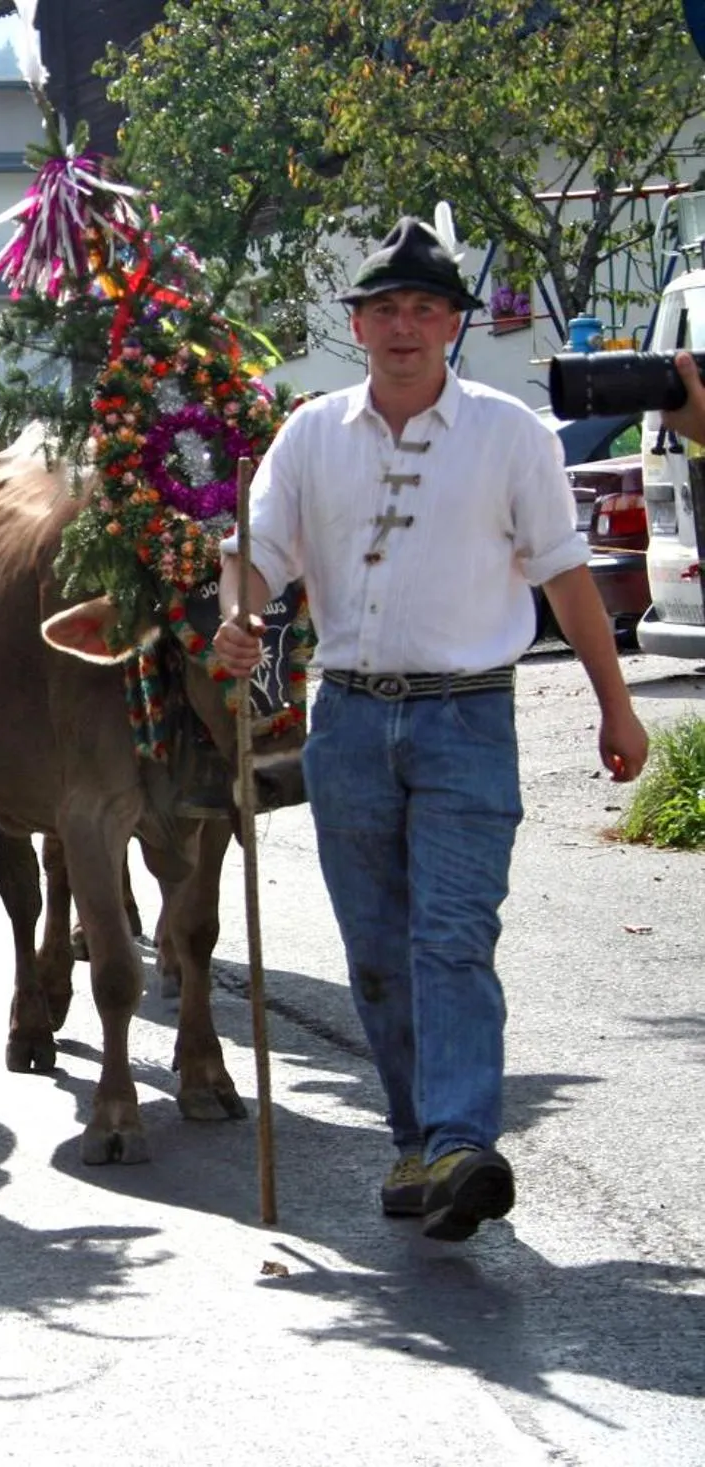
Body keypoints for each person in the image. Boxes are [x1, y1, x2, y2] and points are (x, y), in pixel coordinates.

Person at [212, 220, 650, 1242]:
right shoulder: (311, 434)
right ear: (356, 325)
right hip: (350, 722)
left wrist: (614, 701)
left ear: (453, 325)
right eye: (384, 311)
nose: (404, 327)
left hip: (466, 718)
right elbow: (257, 553)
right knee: (375, 949)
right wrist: (237, 614)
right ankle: (417, 1144)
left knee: (452, 934)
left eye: (424, 309)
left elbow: (564, 575)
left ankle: (460, 1138)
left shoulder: (509, 434)